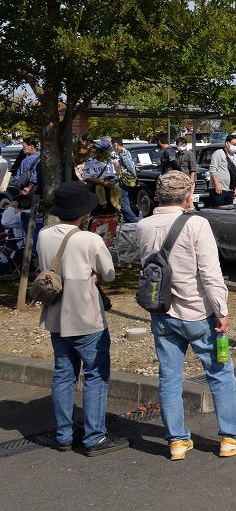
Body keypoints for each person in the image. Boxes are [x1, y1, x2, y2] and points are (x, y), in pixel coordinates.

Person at [137, 171, 236, 460]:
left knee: (169, 378)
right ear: (189, 195)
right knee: (220, 374)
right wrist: (222, 311)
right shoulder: (196, 224)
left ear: (157, 195)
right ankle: (231, 436)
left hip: (162, 312)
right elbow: (210, 273)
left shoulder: (142, 225)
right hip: (198, 313)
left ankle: (177, 441)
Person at [39, 182, 127, 455]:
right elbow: (109, 273)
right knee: (95, 375)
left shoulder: (43, 235)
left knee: (64, 375)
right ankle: (94, 437)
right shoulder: (89, 239)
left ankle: (64, 434)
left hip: (56, 315)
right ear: (82, 212)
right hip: (86, 315)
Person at [110, 137, 140, 223]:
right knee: (125, 201)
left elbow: (130, 166)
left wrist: (135, 177)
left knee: (122, 202)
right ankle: (128, 219)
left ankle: (134, 220)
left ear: (115, 144)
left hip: (125, 180)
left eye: (112, 145)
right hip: (123, 179)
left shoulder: (124, 153)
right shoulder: (120, 153)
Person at [207, 137, 236, 207]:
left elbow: (235, 173)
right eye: (234, 144)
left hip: (230, 190)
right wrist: (217, 184)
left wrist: (235, 188)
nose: (235, 147)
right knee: (218, 211)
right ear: (227, 143)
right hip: (219, 189)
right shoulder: (219, 153)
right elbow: (213, 169)